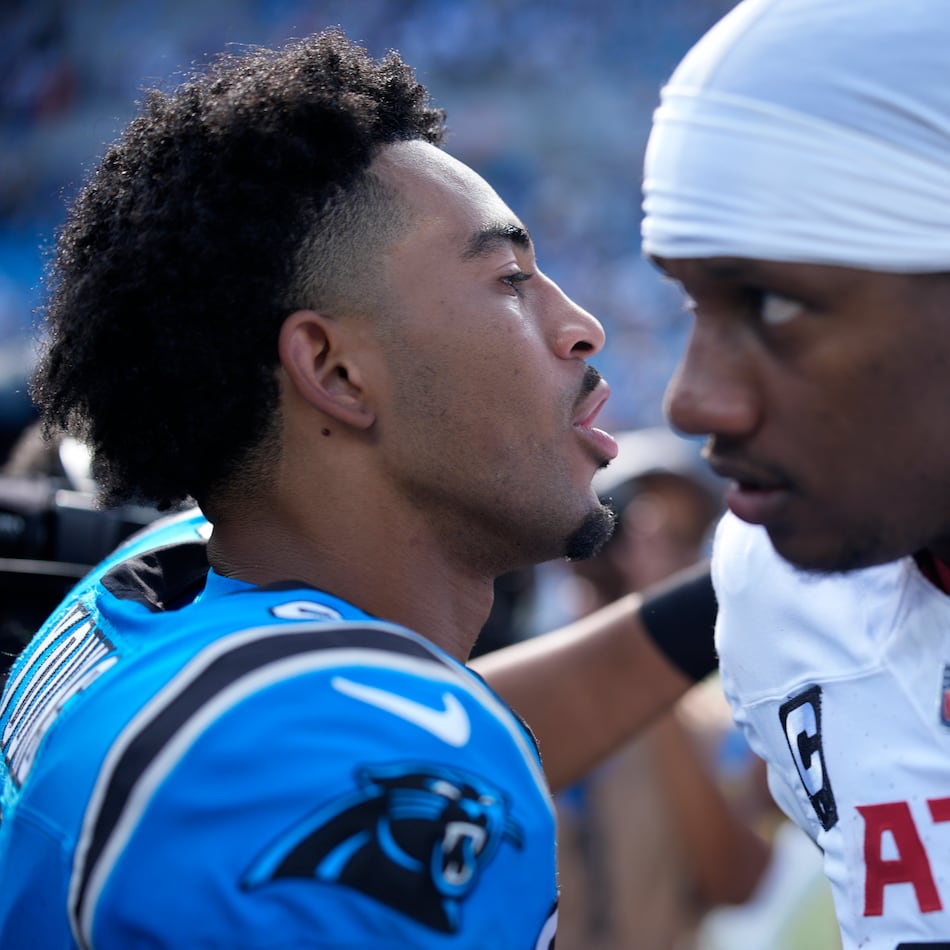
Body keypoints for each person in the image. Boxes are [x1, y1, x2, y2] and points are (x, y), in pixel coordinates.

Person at [0, 27, 717, 949]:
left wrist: (733, 592)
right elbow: (394, 763)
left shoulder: (172, 581)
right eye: (510, 281)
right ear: (335, 372)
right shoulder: (344, 751)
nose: (581, 327)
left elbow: (439, 722)